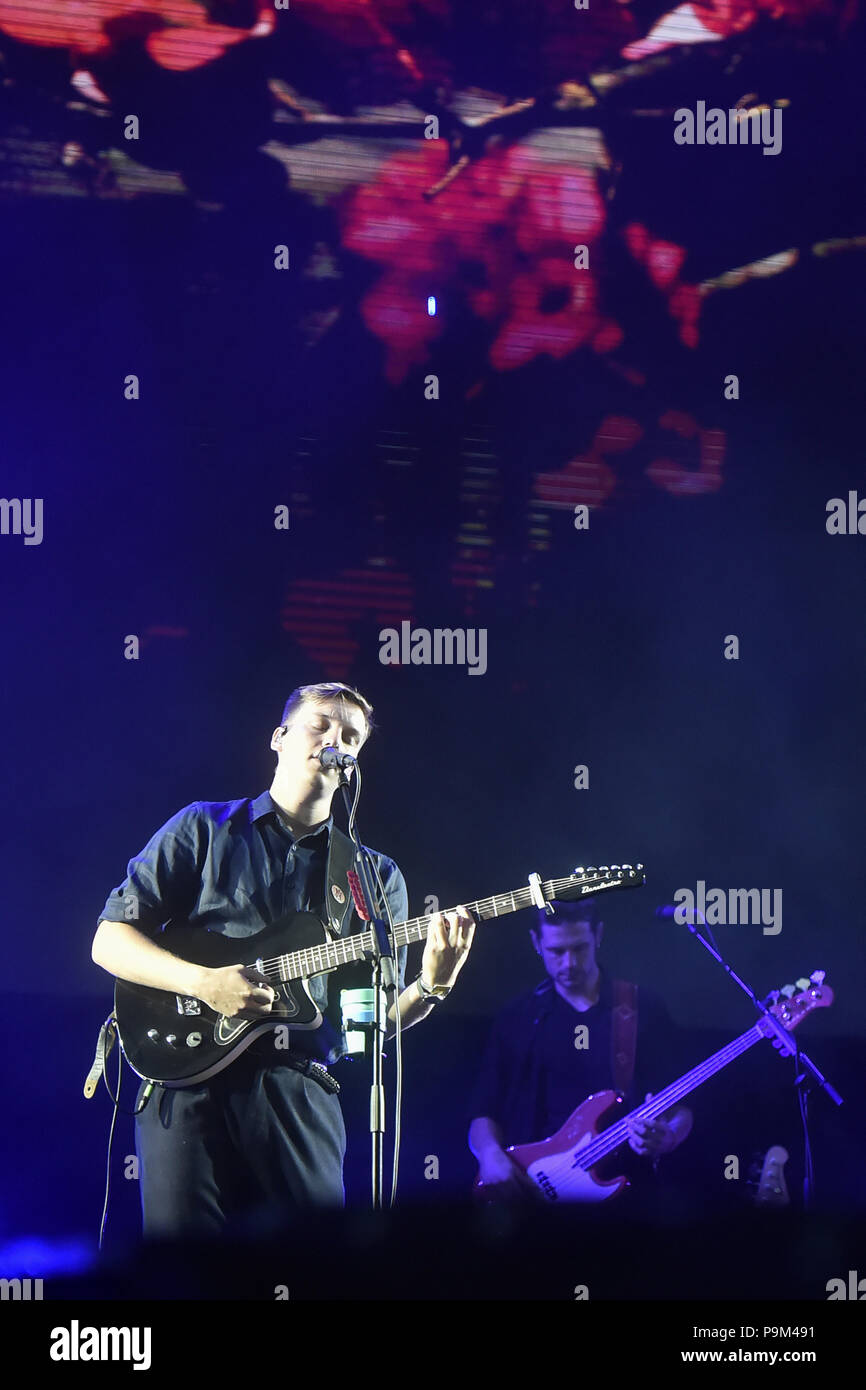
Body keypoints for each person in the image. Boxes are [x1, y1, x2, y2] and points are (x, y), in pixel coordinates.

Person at [91, 681, 475, 1237]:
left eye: (350, 735)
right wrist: (203, 984)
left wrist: (431, 987)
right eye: (320, 724)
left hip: (300, 1089)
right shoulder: (203, 827)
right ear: (279, 737)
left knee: (313, 1267)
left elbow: (365, 1028)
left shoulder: (373, 875)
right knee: (187, 1276)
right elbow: (108, 941)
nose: (334, 739)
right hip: (186, 1079)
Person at [468, 898, 691, 1200]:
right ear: (536, 942)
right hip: (533, 1195)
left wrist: (669, 1137)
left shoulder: (643, 1008)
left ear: (598, 935)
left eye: (580, 948)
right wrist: (490, 1156)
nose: (569, 963)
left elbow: (682, 1107)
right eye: (556, 951)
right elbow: (483, 1111)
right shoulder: (518, 1017)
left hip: (624, 1197)